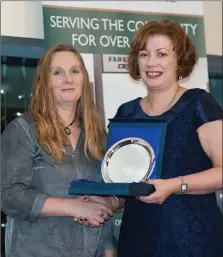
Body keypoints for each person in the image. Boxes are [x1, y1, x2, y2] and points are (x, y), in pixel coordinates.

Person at [86, 20, 223, 256]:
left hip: (193, 239)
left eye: (161, 54)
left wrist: (173, 185)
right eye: (144, 54)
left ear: (179, 60)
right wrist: (109, 202)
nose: (151, 62)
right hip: (137, 238)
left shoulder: (199, 104)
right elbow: (126, 183)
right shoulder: (126, 113)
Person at [1, 44, 117, 257]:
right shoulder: (22, 131)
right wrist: (73, 207)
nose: (68, 79)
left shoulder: (97, 136)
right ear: (44, 82)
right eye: (58, 72)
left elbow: (105, 201)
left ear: (83, 79)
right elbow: (9, 196)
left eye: (75, 71)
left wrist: (109, 250)